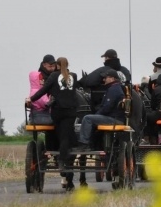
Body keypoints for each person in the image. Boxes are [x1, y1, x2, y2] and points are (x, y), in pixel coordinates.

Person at [26, 57, 81, 190]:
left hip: (58, 112)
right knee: (66, 135)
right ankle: (65, 158)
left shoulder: (54, 76)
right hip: (71, 112)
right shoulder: (73, 76)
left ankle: (60, 158)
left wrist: (31, 99)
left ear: (57, 65)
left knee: (60, 134)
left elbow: (43, 91)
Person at [75, 69, 126, 149]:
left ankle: (84, 144)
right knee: (92, 118)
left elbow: (106, 108)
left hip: (114, 119)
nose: (104, 80)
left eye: (106, 78)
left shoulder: (114, 90)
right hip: (114, 117)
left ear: (112, 78)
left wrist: (97, 114)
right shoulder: (115, 88)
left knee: (87, 118)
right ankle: (93, 143)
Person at [28, 54, 57, 125]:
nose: (52, 68)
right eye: (50, 66)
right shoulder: (41, 76)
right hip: (45, 111)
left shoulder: (55, 74)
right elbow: (42, 96)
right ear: (44, 65)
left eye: (54, 66)